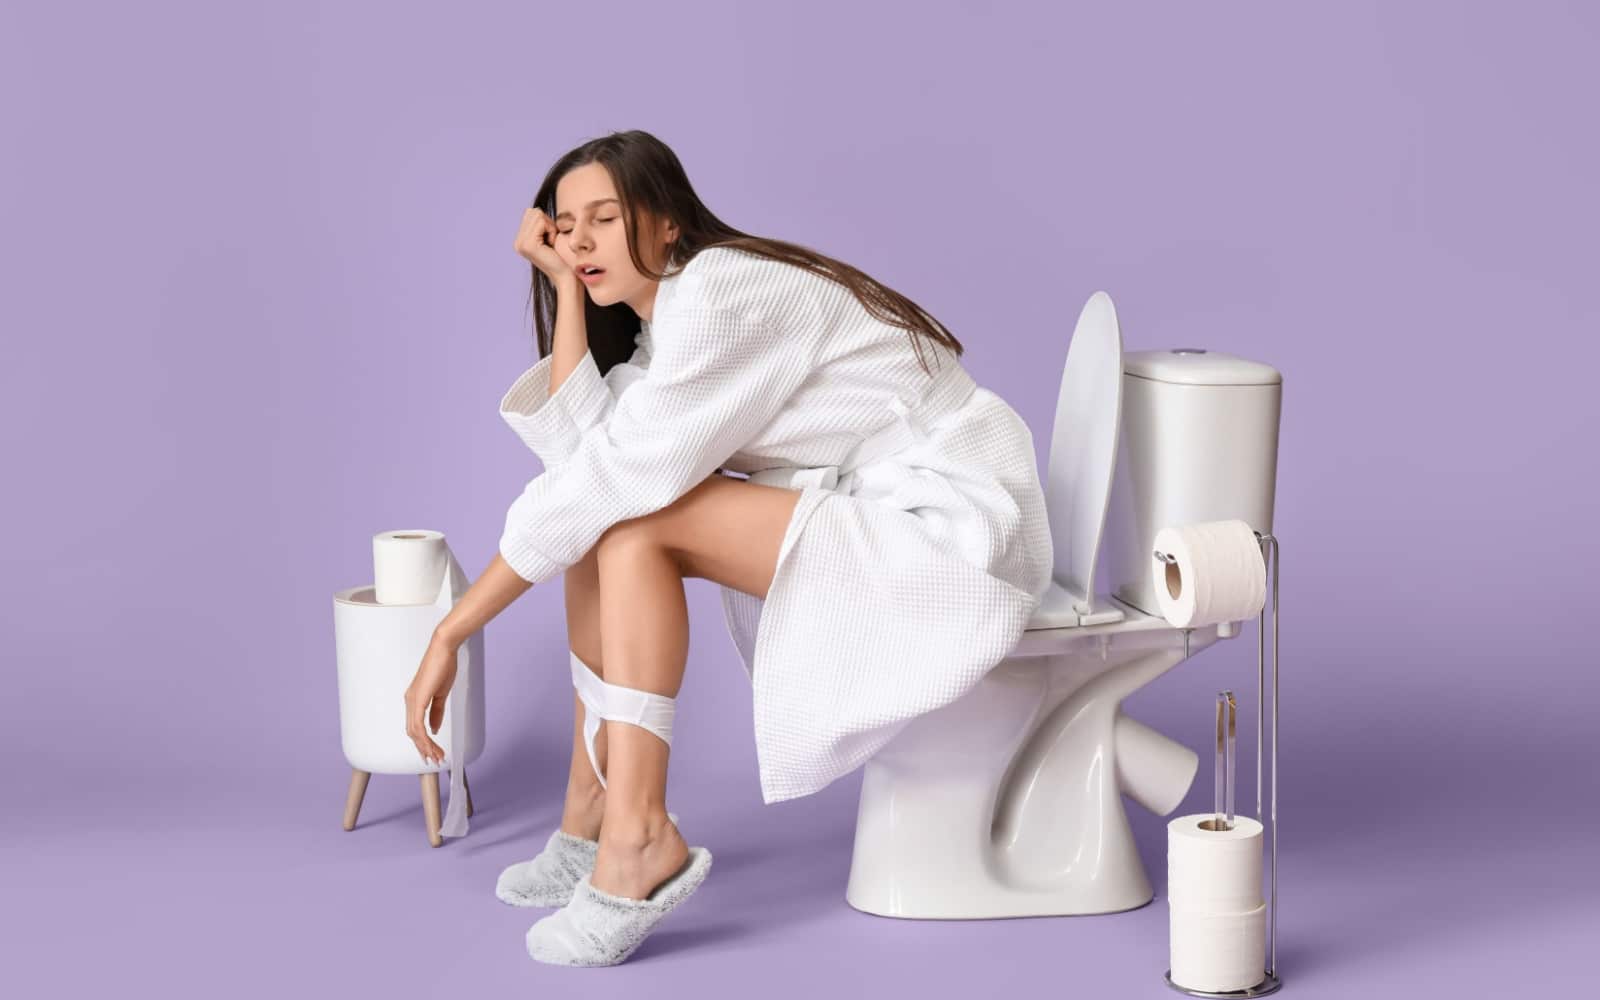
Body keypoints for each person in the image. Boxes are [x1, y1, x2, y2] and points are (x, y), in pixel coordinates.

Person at [402, 129, 1052, 967]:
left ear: (668, 222)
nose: (583, 240)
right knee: (613, 512)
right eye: (567, 228)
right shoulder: (663, 325)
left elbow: (602, 481)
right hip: (881, 498)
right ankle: (591, 810)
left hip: (954, 523)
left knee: (633, 521)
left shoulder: (720, 297)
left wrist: (453, 630)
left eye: (606, 218)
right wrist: (563, 285)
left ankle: (636, 837)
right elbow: (583, 456)